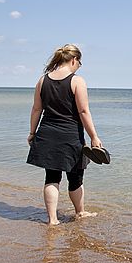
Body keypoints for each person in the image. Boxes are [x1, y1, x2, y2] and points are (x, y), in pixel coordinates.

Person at [27, 44, 102, 225]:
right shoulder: (77, 81)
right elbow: (84, 111)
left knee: (51, 177)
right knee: (75, 177)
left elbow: (37, 109)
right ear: (74, 60)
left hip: (47, 133)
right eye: (79, 62)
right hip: (70, 136)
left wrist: (32, 132)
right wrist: (94, 137)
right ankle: (80, 212)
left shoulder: (42, 81)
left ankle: (52, 219)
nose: (79, 65)